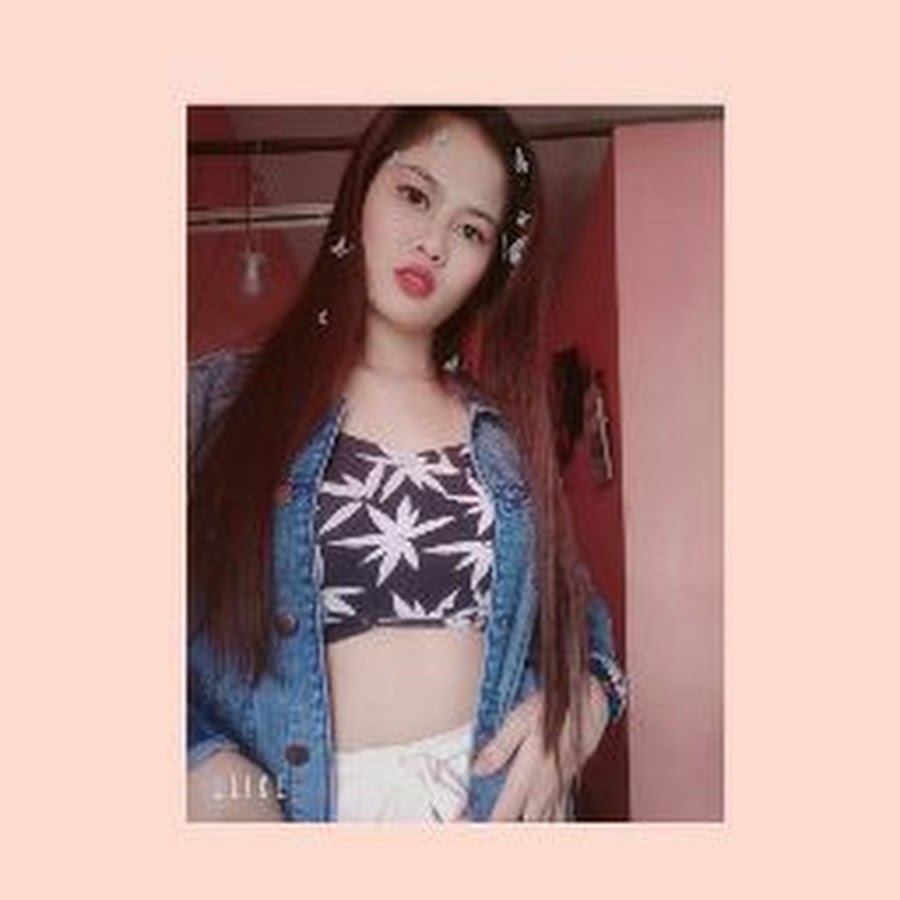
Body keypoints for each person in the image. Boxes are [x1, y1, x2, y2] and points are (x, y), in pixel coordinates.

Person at [187, 106, 627, 822]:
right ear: (362, 189)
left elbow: (579, 613)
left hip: (498, 810)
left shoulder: (505, 436)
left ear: (490, 267)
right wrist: (198, 761)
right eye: (415, 195)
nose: (433, 243)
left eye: (471, 230)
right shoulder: (216, 403)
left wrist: (590, 697)